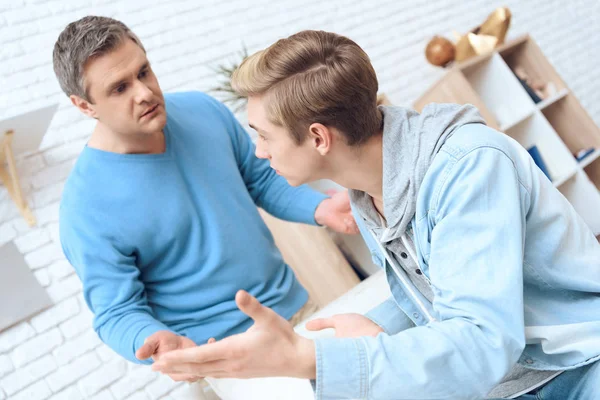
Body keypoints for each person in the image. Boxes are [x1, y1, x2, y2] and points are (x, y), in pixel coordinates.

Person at [152, 30, 600, 400]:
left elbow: (482, 340)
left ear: (318, 138)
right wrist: (337, 341)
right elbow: (439, 298)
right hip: (512, 380)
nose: (258, 151)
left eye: (263, 135)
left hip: (578, 365)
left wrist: (309, 359)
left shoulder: (470, 169)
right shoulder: (370, 193)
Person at [54, 17, 358, 388]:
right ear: (84, 106)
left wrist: (319, 208)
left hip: (295, 312)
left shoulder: (202, 110)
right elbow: (116, 311)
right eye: (119, 88)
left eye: (144, 72)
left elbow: (259, 178)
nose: (144, 92)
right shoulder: (84, 206)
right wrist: (152, 340)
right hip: (218, 358)